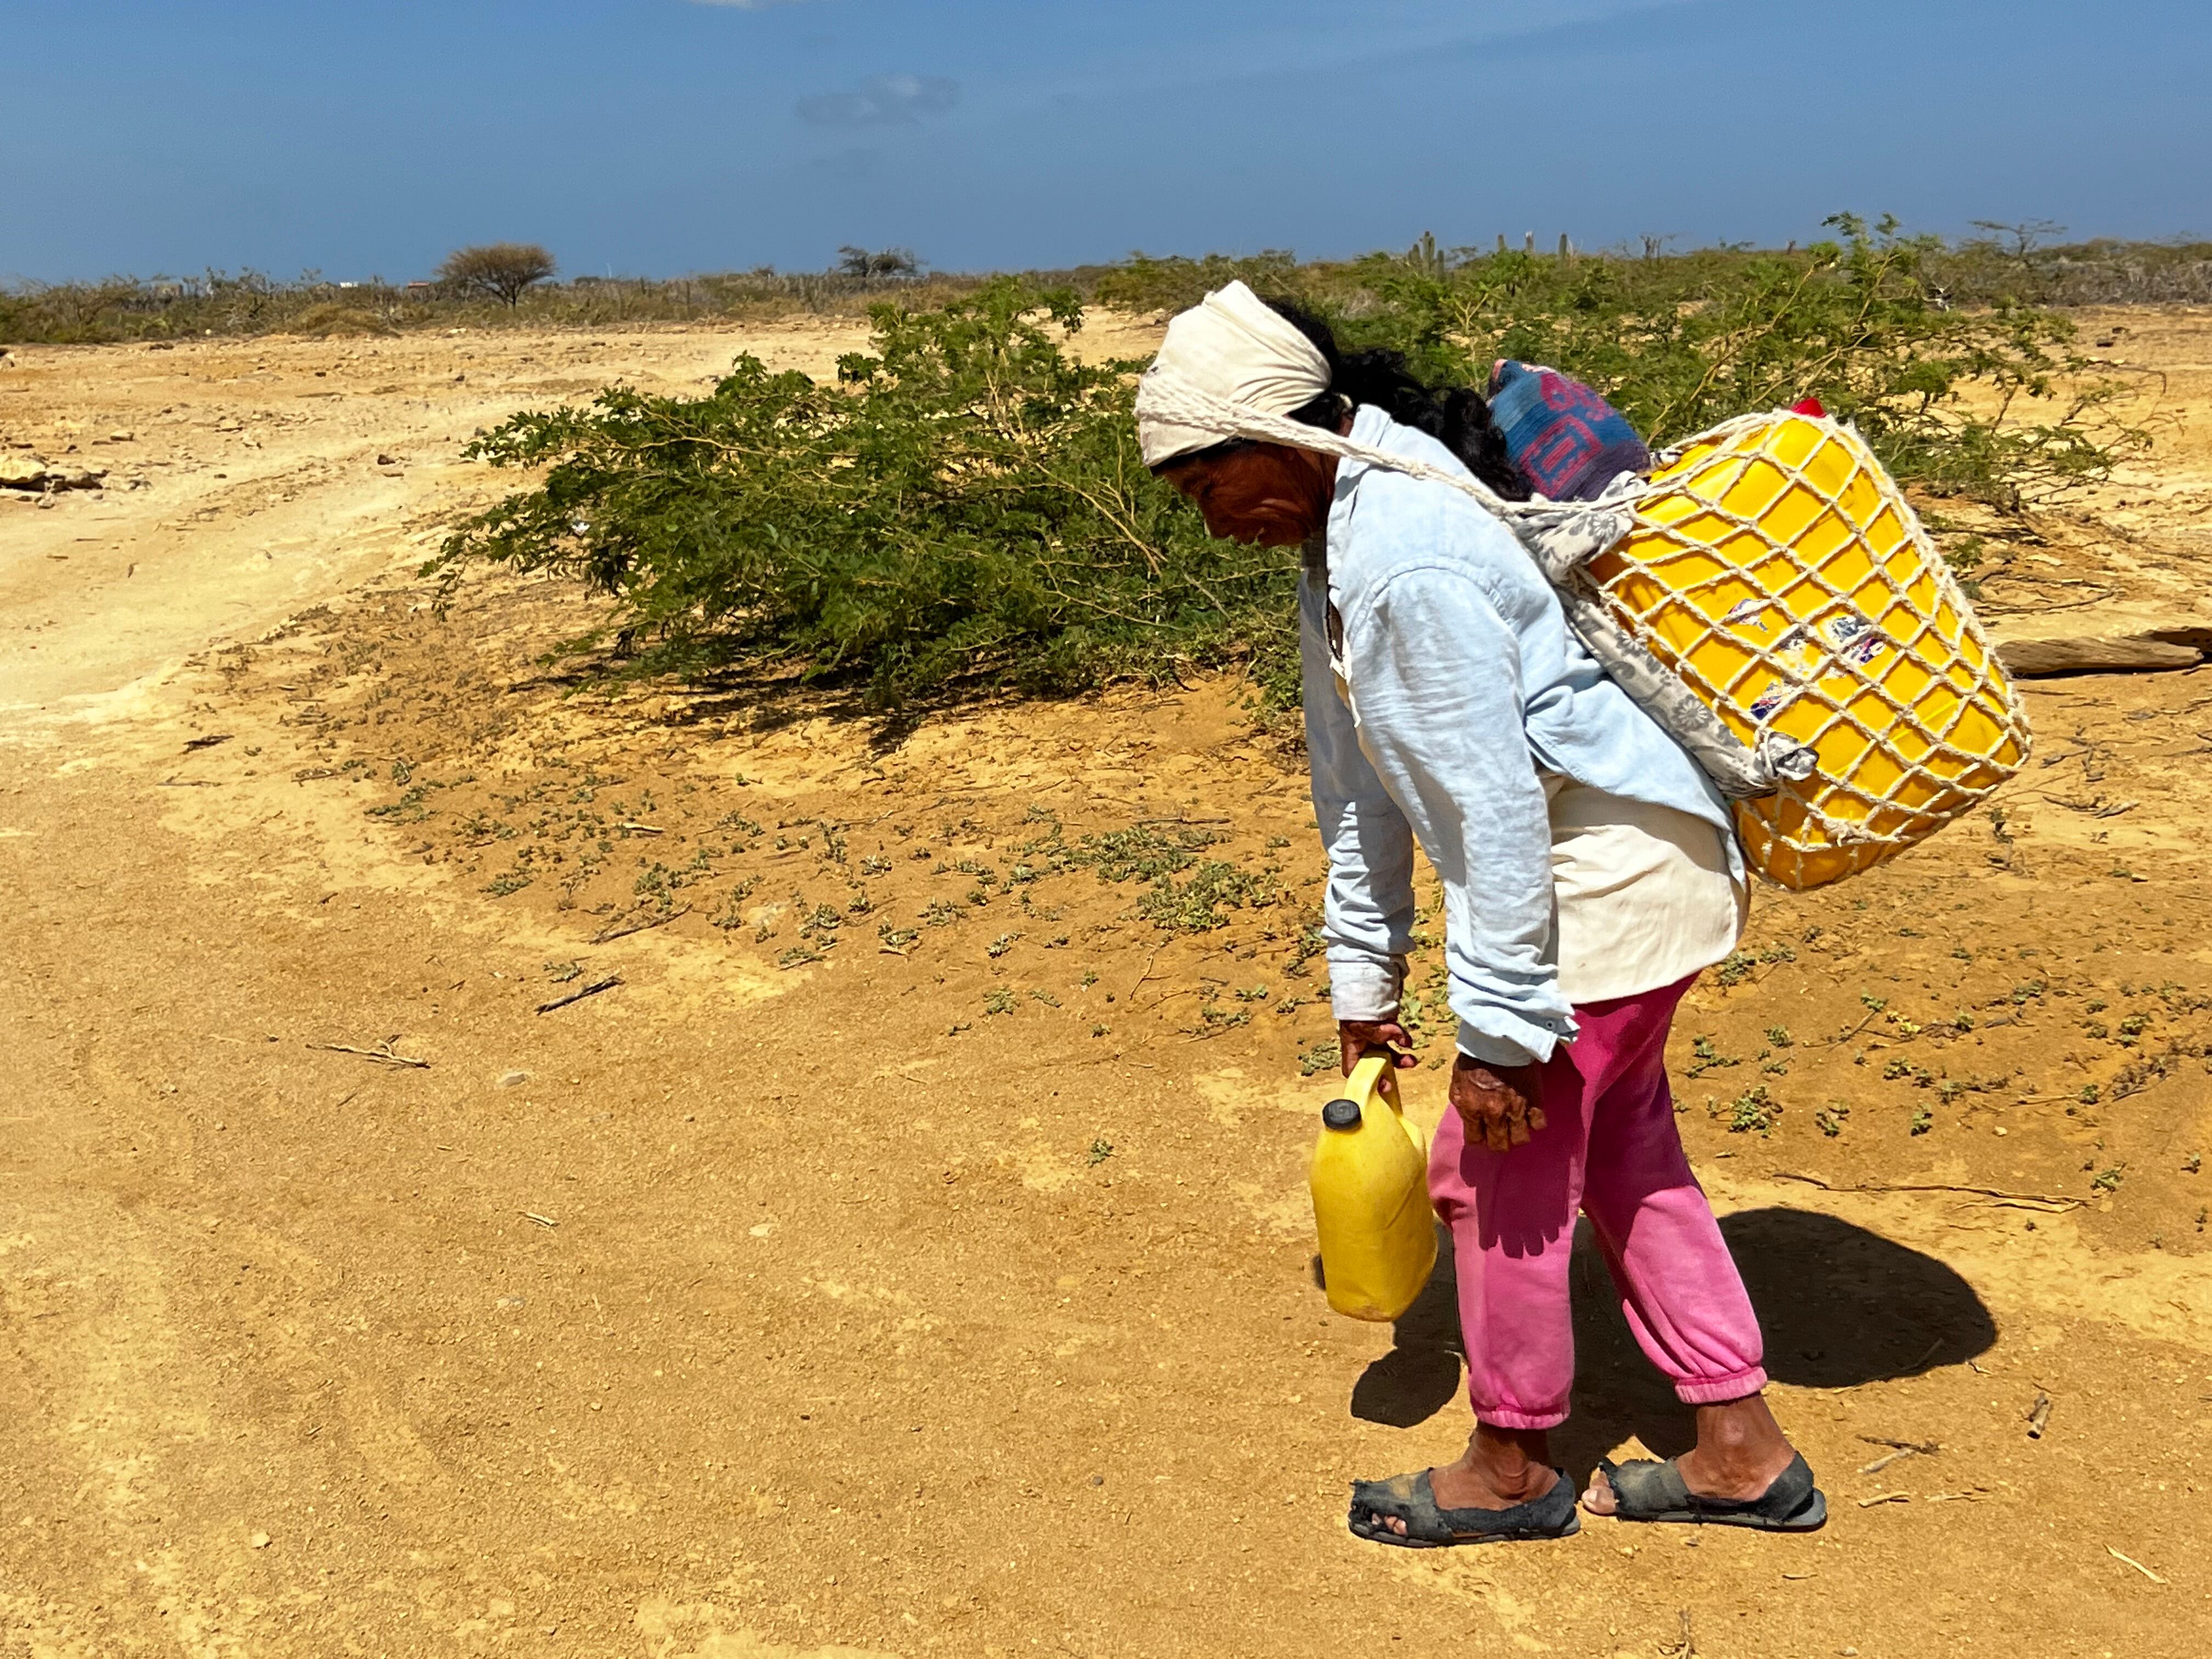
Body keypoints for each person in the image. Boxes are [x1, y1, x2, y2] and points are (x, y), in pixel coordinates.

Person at [1135, 283, 1825, 1545]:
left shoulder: (1403, 558)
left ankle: (1511, 1462)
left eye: (1203, 486)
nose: (1208, 520)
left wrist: (1499, 1032)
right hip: (1627, 867)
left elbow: (1492, 808)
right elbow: (1363, 795)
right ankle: (1741, 1447)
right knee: (1624, 1155)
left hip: (1605, 875)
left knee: (1489, 1169)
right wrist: (1367, 992)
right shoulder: (1343, 531)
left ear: (1272, 438)